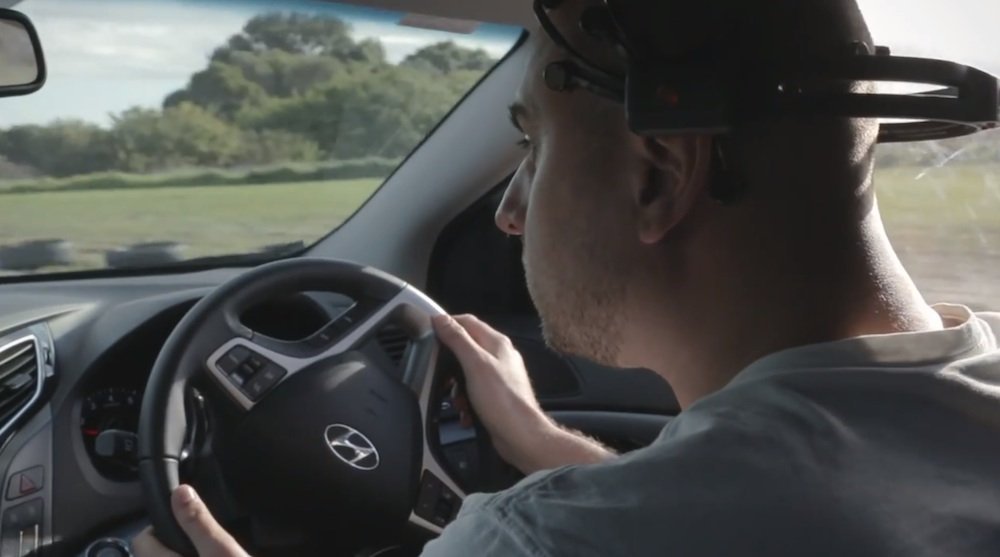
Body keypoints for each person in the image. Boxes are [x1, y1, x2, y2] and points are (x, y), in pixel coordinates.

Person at [134, 0, 1000, 555]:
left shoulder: (544, 540)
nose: (510, 212)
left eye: (534, 147)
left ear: (658, 175)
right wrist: (546, 444)